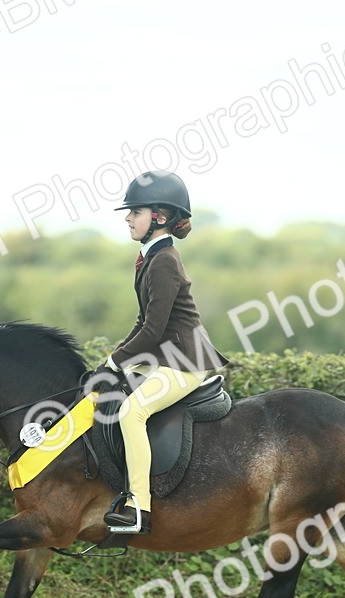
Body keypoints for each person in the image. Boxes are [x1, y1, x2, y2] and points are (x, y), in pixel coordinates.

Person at [100, 170, 230, 534]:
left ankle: (138, 507)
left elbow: (153, 331)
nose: (127, 218)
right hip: (167, 358)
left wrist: (113, 362)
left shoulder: (165, 261)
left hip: (186, 361)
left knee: (131, 412)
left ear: (158, 217)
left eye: (135, 212)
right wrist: (111, 362)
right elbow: (143, 321)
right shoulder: (149, 257)